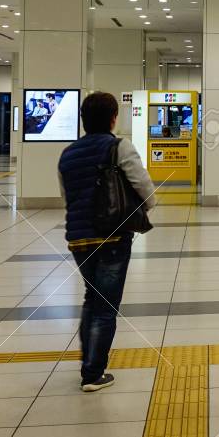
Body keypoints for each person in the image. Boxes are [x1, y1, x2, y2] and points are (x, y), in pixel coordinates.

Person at [57, 91, 157, 392]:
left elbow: (66, 197)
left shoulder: (68, 154)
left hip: (79, 239)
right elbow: (145, 188)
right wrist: (144, 208)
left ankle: (89, 365)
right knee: (106, 306)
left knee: (93, 298)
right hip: (112, 235)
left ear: (83, 120)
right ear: (113, 118)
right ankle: (93, 373)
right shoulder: (118, 147)